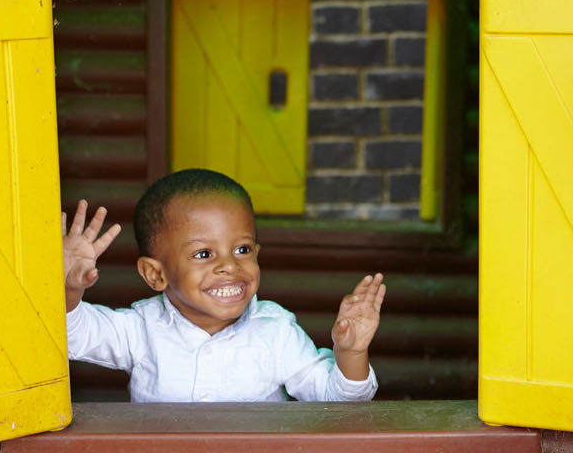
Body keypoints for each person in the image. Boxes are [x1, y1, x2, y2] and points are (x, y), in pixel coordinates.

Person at [60, 168, 385, 402]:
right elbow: (73, 335)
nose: (230, 266)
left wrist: (351, 352)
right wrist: (68, 289)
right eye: (204, 254)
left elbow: (339, 402)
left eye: (242, 250)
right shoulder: (141, 328)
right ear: (155, 274)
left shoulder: (276, 331)